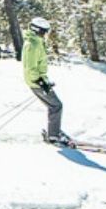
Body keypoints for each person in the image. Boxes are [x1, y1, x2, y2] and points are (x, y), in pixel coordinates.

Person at [22, 13, 70, 146]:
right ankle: (53, 136)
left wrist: (44, 80)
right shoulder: (32, 45)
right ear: (39, 30)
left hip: (37, 80)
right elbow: (30, 68)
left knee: (53, 105)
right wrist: (40, 82)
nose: (46, 34)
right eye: (45, 32)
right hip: (35, 82)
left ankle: (53, 131)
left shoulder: (36, 42)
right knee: (56, 106)